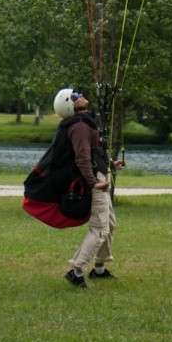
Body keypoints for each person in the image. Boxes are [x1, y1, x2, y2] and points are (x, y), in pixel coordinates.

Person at [52, 87, 122, 289]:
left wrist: (111, 163)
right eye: (75, 96)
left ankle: (99, 269)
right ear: (70, 104)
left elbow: (94, 151)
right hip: (95, 180)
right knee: (99, 228)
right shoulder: (80, 126)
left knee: (110, 223)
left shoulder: (85, 123)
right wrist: (94, 183)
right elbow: (82, 158)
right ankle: (76, 271)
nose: (80, 95)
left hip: (100, 174)